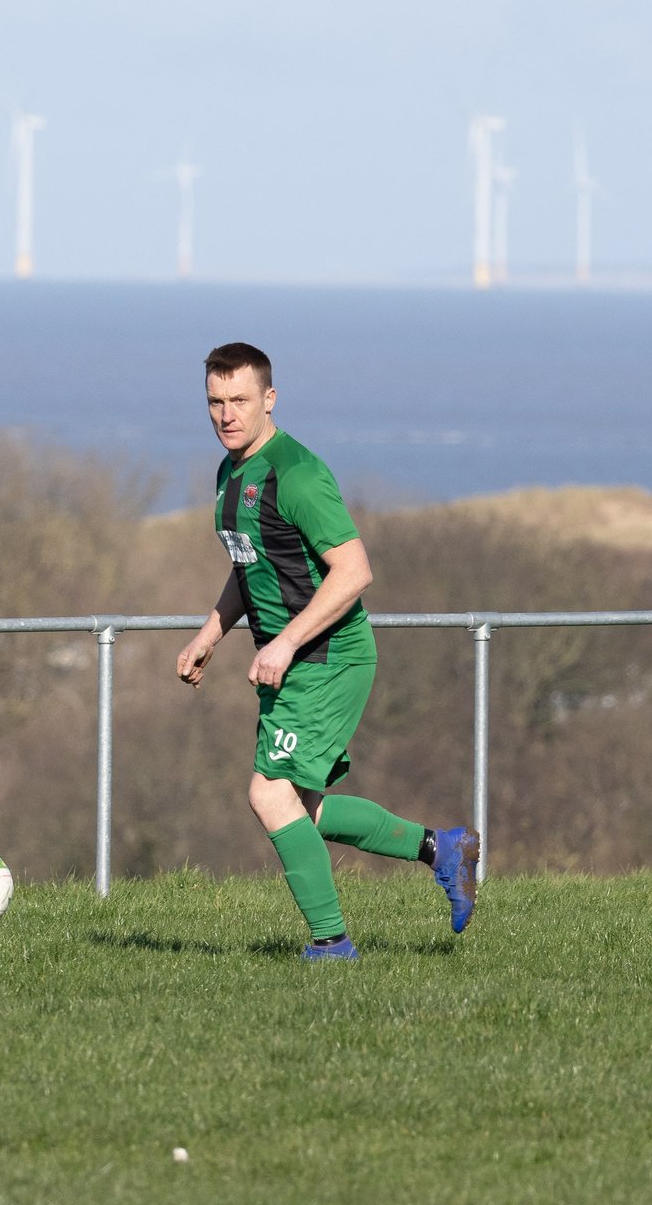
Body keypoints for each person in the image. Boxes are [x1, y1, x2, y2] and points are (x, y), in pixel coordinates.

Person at [175, 342, 480, 960]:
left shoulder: (298, 474)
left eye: (240, 400)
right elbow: (251, 565)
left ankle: (331, 944)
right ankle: (442, 848)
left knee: (268, 794)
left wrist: (285, 643)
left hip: (327, 657)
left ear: (269, 399)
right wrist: (211, 633)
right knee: (301, 811)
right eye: (215, 401)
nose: (226, 414)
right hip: (290, 661)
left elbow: (354, 571)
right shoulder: (230, 473)